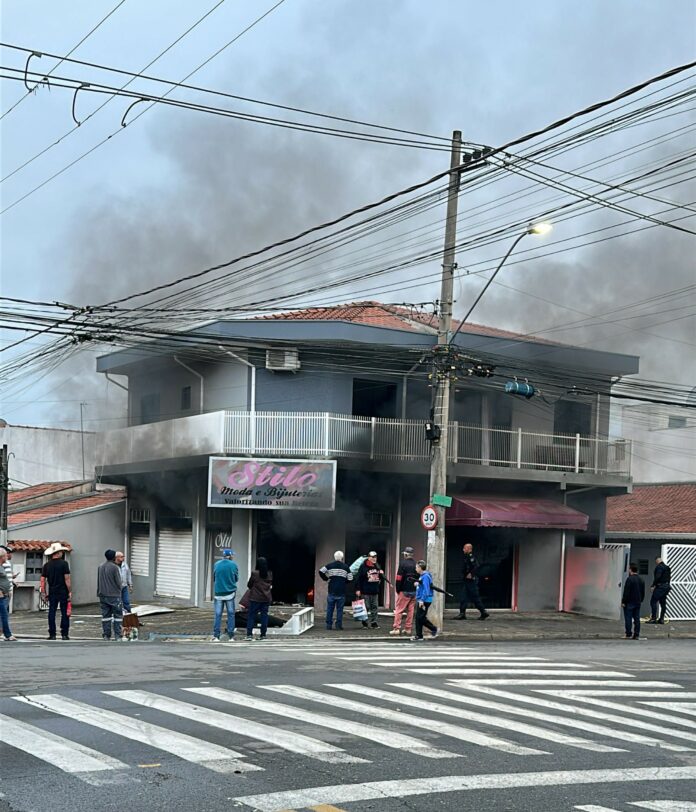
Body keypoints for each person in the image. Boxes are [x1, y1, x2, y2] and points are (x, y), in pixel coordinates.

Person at [40, 542, 71, 640]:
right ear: (58, 553)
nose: (62, 553)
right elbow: (67, 579)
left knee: (51, 612)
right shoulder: (64, 564)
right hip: (63, 591)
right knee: (64, 612)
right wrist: (69, 591)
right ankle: (64, 634)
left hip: (52, 591)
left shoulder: (47, 565)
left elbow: (43, 580)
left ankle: (52, 634)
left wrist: (44, 592)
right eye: (61, 551)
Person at [319, 550, 352, 630]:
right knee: (339, 610)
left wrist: (326, 579)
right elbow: (350, 578)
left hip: (331, 591)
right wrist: (344, 581)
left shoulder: (330, 565)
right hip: (341, 591)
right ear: (342, 558)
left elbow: (321, 571)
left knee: (330, 609)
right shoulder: (346, 567)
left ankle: (329, 625)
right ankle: (338, 625)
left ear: (334, 557)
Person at [455, 542, 490, 621]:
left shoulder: (471, 557)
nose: (463, 549)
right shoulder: (466, 557)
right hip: (466, 581)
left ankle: (483, 612)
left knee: (475, 597)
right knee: (463, 597)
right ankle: (462, 614)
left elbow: (476, 566)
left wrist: (471, 574)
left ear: (469, 549)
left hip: (471, 581)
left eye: (464, 548)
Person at [212, 549, 239, 641]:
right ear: (230, 556)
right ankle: (231, 635)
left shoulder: (216, 564)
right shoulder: (234, 565)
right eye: (232, 555)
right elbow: (236, 578)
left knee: (217, 614)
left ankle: (216, 635)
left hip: (218, 593)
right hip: (230, 593)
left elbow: (214, 578)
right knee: (231, 614)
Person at [391, 546, 417, 636]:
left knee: (399, 610)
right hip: (414, 591)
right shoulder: (415, 564)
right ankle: (408, 629)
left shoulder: (402, 564)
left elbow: (399, 578)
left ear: (406, 554)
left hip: (404, 590)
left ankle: (396, 628)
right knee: (411, 610)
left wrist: (398, 589)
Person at [97, 549, 123, 640]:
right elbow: (119, 582)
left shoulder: (100, 566)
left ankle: (106, 635)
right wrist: (121, 590)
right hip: (114, 595)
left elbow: (99, 580)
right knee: (118, 615)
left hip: (102, 594)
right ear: (114, 557)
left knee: (106, 616)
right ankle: (118, 635)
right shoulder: (115, 567)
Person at [356, 550, 384, 629]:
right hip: (365, 590)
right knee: (366, 607)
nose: (374, 559)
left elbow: (380, 577)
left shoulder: (377, 566)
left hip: (374, 590)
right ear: (369, 557)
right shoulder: (363, 566)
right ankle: (364, 623)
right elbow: (359, 578)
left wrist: (381, 574)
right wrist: (358, 589)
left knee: (374, 607)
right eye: (372, 557)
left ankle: (374, 623)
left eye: (375, 557)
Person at [411, 560, 439, 641]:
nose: (415, 569)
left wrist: (422, 600)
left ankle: (432, 629)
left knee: (420, 618)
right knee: (420, 617)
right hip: (423, 599)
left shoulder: (425, 576)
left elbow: (426, 590)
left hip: (424, 600)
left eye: (416, 567)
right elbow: (423, 585)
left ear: (420, 568)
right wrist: (418, 584)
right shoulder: (423, 576)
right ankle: (420, 635)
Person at [246, 557, 272, 641]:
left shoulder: (255, 573)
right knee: (264, 616)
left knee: (251, 616)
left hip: (255, 598)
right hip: (266, 598)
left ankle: (249, 634)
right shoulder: (269, 574)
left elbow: (249, 585)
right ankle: (263, 635)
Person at [621, 562, 645, 640]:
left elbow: (626, 592)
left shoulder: (629, 579)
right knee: (636, 619)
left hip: (629, 602)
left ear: (630, 570)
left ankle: (628, 634)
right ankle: (636, 634)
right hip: (637, 602)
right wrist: (641, 600)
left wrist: (624, 601)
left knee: (628, 618)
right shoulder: (641, 579)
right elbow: (643, 592)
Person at [647, 557, 671, 624]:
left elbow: (658, 577)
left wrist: (653, 585)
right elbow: (669, 578)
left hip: (660, 587)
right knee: (663, 603)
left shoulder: (659, 567)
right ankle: (661, 619)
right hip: (666, 587)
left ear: (657, 561)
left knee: (653, 601)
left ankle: (653, 618)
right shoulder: (667, 568)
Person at [0, 548, 17, 641]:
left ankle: (7, 634)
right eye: (6, 555)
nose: (7, 556)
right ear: (2, 557)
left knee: (4, 614)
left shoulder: (2, 566)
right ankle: (7, 634)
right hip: (1, 595)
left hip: (4, 594)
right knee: (3, 615)